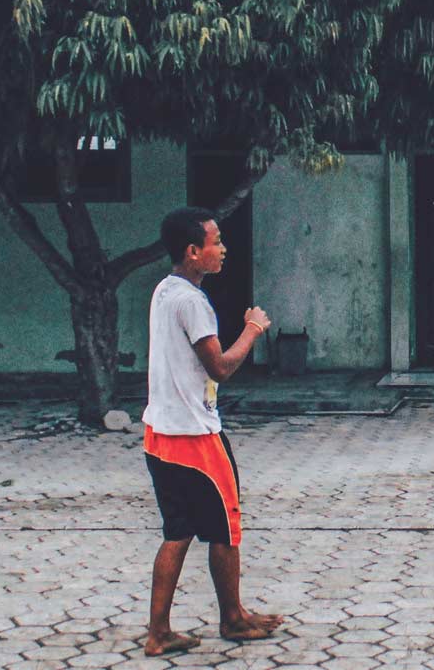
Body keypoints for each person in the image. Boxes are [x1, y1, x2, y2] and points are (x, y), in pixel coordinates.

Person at [141, 206, 285, 654]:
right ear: (192, 251)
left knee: (178, 530)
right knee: (226, 527)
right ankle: (234, 619)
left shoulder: (165, 291)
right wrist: (253, 330)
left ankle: (159, 632)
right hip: (195, 439)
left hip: (159, 433)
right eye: (215, 242)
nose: (223, 249)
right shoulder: (192, 302)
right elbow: (220, 367)